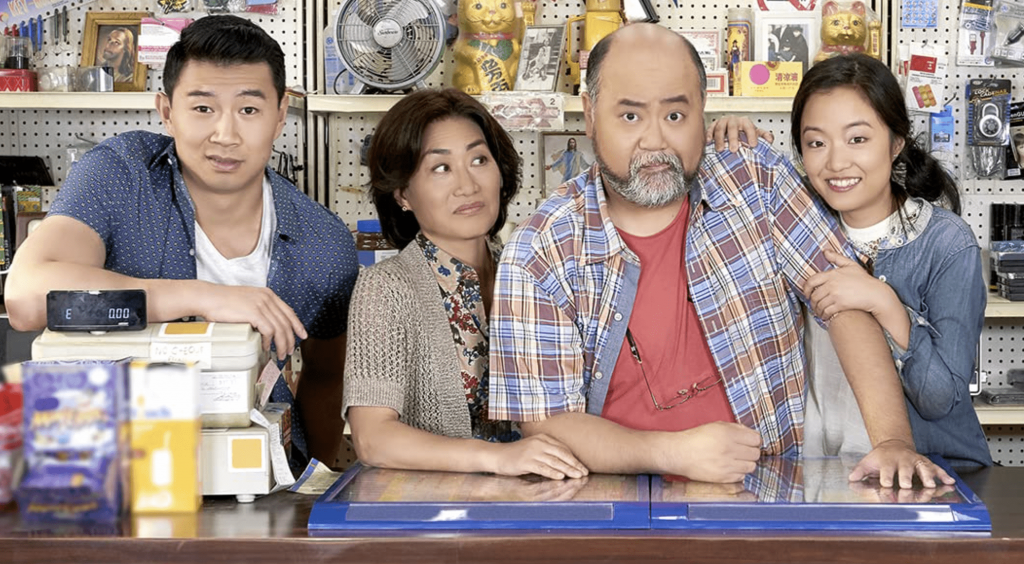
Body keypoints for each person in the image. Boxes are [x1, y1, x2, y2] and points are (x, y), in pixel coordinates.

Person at [489, 23, 953, 487]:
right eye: (630, 117)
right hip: (612, 504)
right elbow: (544, 419)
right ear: (590, 115)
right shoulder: (539, 249)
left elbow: (844, 304)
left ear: (703, 111)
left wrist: (892, 441)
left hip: (770, 495)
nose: (655, 141)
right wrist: (672, 452)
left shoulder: (756, 180)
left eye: (675, 116)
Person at [3, 15, 359, 470]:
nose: (225, 135)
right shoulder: (119, 174)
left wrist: (316, 487)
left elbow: (325, 379)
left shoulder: (322, 242)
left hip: (258, 485)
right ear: (166, 111)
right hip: (105, 469)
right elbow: (26, 298)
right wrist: (206, 298)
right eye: (202, 108)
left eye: (248, 110)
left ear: (279, 115)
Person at [343, 88, 587, 480]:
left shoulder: (536, 269)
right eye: (440, 168)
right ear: (403, 193)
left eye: (479, 160)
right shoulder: (385, 288)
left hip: (552, 501)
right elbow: (373, 439)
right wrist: (498, 458)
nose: (468, 185)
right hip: (442, 521)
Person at [793, 54, 992, 467]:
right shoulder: (796, 230)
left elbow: (941, 401)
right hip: (823, 474)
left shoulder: (946, 243)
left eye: (858, 139)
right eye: (816, 142)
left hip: (925, 474)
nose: (835, 162)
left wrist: (884, 302)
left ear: (896, 142)